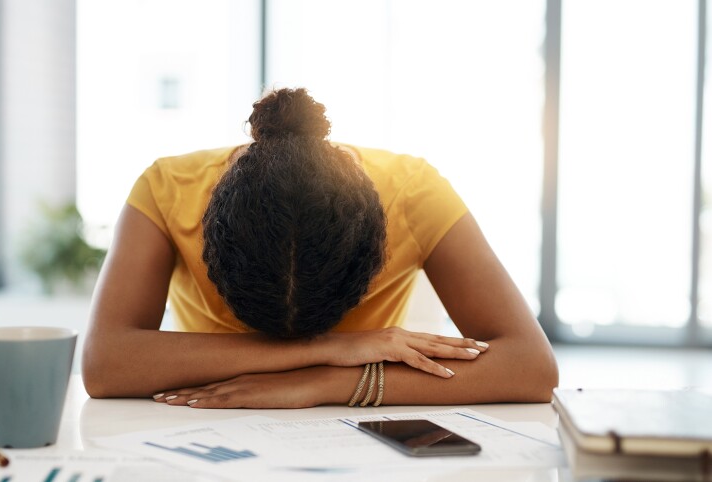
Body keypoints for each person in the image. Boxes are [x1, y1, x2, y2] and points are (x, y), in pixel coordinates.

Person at [82, 87, 558, 408]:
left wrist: (323, 382)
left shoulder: (413, 192)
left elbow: (530, 367)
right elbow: (105, 364)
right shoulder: (167, 188)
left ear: (377, 243)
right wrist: (336, 347)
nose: (298, 348)